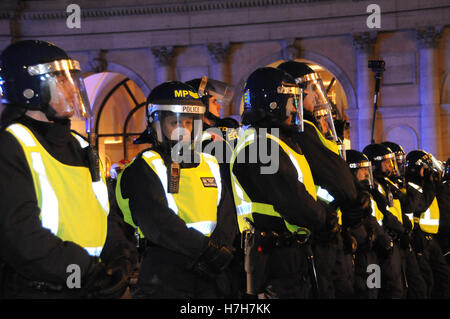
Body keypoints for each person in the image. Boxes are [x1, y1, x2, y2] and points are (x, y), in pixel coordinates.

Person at [0, 40, 136, 298]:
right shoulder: (10, 145)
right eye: (60, 81)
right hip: (42, 290)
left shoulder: (81, 145)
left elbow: (107, 214)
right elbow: (19, 234)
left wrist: (121, 259)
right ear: (30, 88)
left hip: (93, 287)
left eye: (72, 80)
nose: (73, 91)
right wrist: (89, 272)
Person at [115, 81, 239, 298]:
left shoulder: (209, 163)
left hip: (213, 274)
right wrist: (209, 251)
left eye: (189, 123)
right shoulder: (145, 167)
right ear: (156, 124)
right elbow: (160, 223)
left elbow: (227, 213)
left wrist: (220, 251)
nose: (184, 131)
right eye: (175, 123)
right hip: (166, 275)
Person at [230, 67, 339, 299]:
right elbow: (292, 199)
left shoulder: (272, 142)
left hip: (287, 250)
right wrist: (326, 221)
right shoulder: (258, 147)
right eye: (290, 101)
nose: (294, 108)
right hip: (274, 256)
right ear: (273, 102)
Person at [277, 60, 369, 298]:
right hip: (320, 230)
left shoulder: (304, 129)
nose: (316, 97)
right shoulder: (303, 131)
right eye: (309, 90)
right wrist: (354, 207)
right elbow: (336, 177)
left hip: (325, 225)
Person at [346, 149, 394, 299]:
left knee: (375, 291)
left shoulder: (366, 194)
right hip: (359, 254)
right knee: (365, 293)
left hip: (372, 251)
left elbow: (372, 219)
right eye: (362, 170)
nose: (367, 174)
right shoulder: (348, 195)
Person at [406, 150, 450, 298]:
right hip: (419, 239)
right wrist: (431, 184)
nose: (430, 172)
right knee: (426, 282)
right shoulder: (410, 187)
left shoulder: (429, 187)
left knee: (444, 277)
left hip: (432, 238)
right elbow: (421, 205)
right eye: (426, 168)